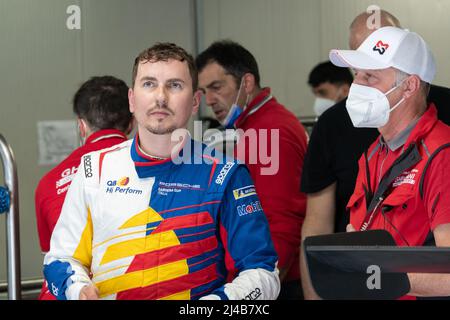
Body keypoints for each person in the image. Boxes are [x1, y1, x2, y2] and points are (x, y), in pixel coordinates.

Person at [43, 42, 280, 300]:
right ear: (132, 100)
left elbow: (263, 272)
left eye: (175, 85)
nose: (160, 97)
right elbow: (59, 258)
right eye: (149, 84)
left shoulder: (225, 175)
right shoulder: (93, 170)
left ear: (194, 101)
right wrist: (77, 289)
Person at [300, 10, 450, 299]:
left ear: (409, 86)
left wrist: (378, 271)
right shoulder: (374, 153)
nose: (357, 86)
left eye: (370, 76)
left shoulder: (441, 155)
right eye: (357, 75)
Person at [196, 40, 308, 299]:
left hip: (274, 281)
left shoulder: (272, 131)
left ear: (245, 83)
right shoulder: (252, 127)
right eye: (204, 91)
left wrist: (260, 291)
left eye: (216, 87)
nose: (209, 100)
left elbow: (282, 222)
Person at [35, 75, 133, 300]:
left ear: (81, 126)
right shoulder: (148, 168)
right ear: (132, 122)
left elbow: (54, 258)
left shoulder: (48, 182)